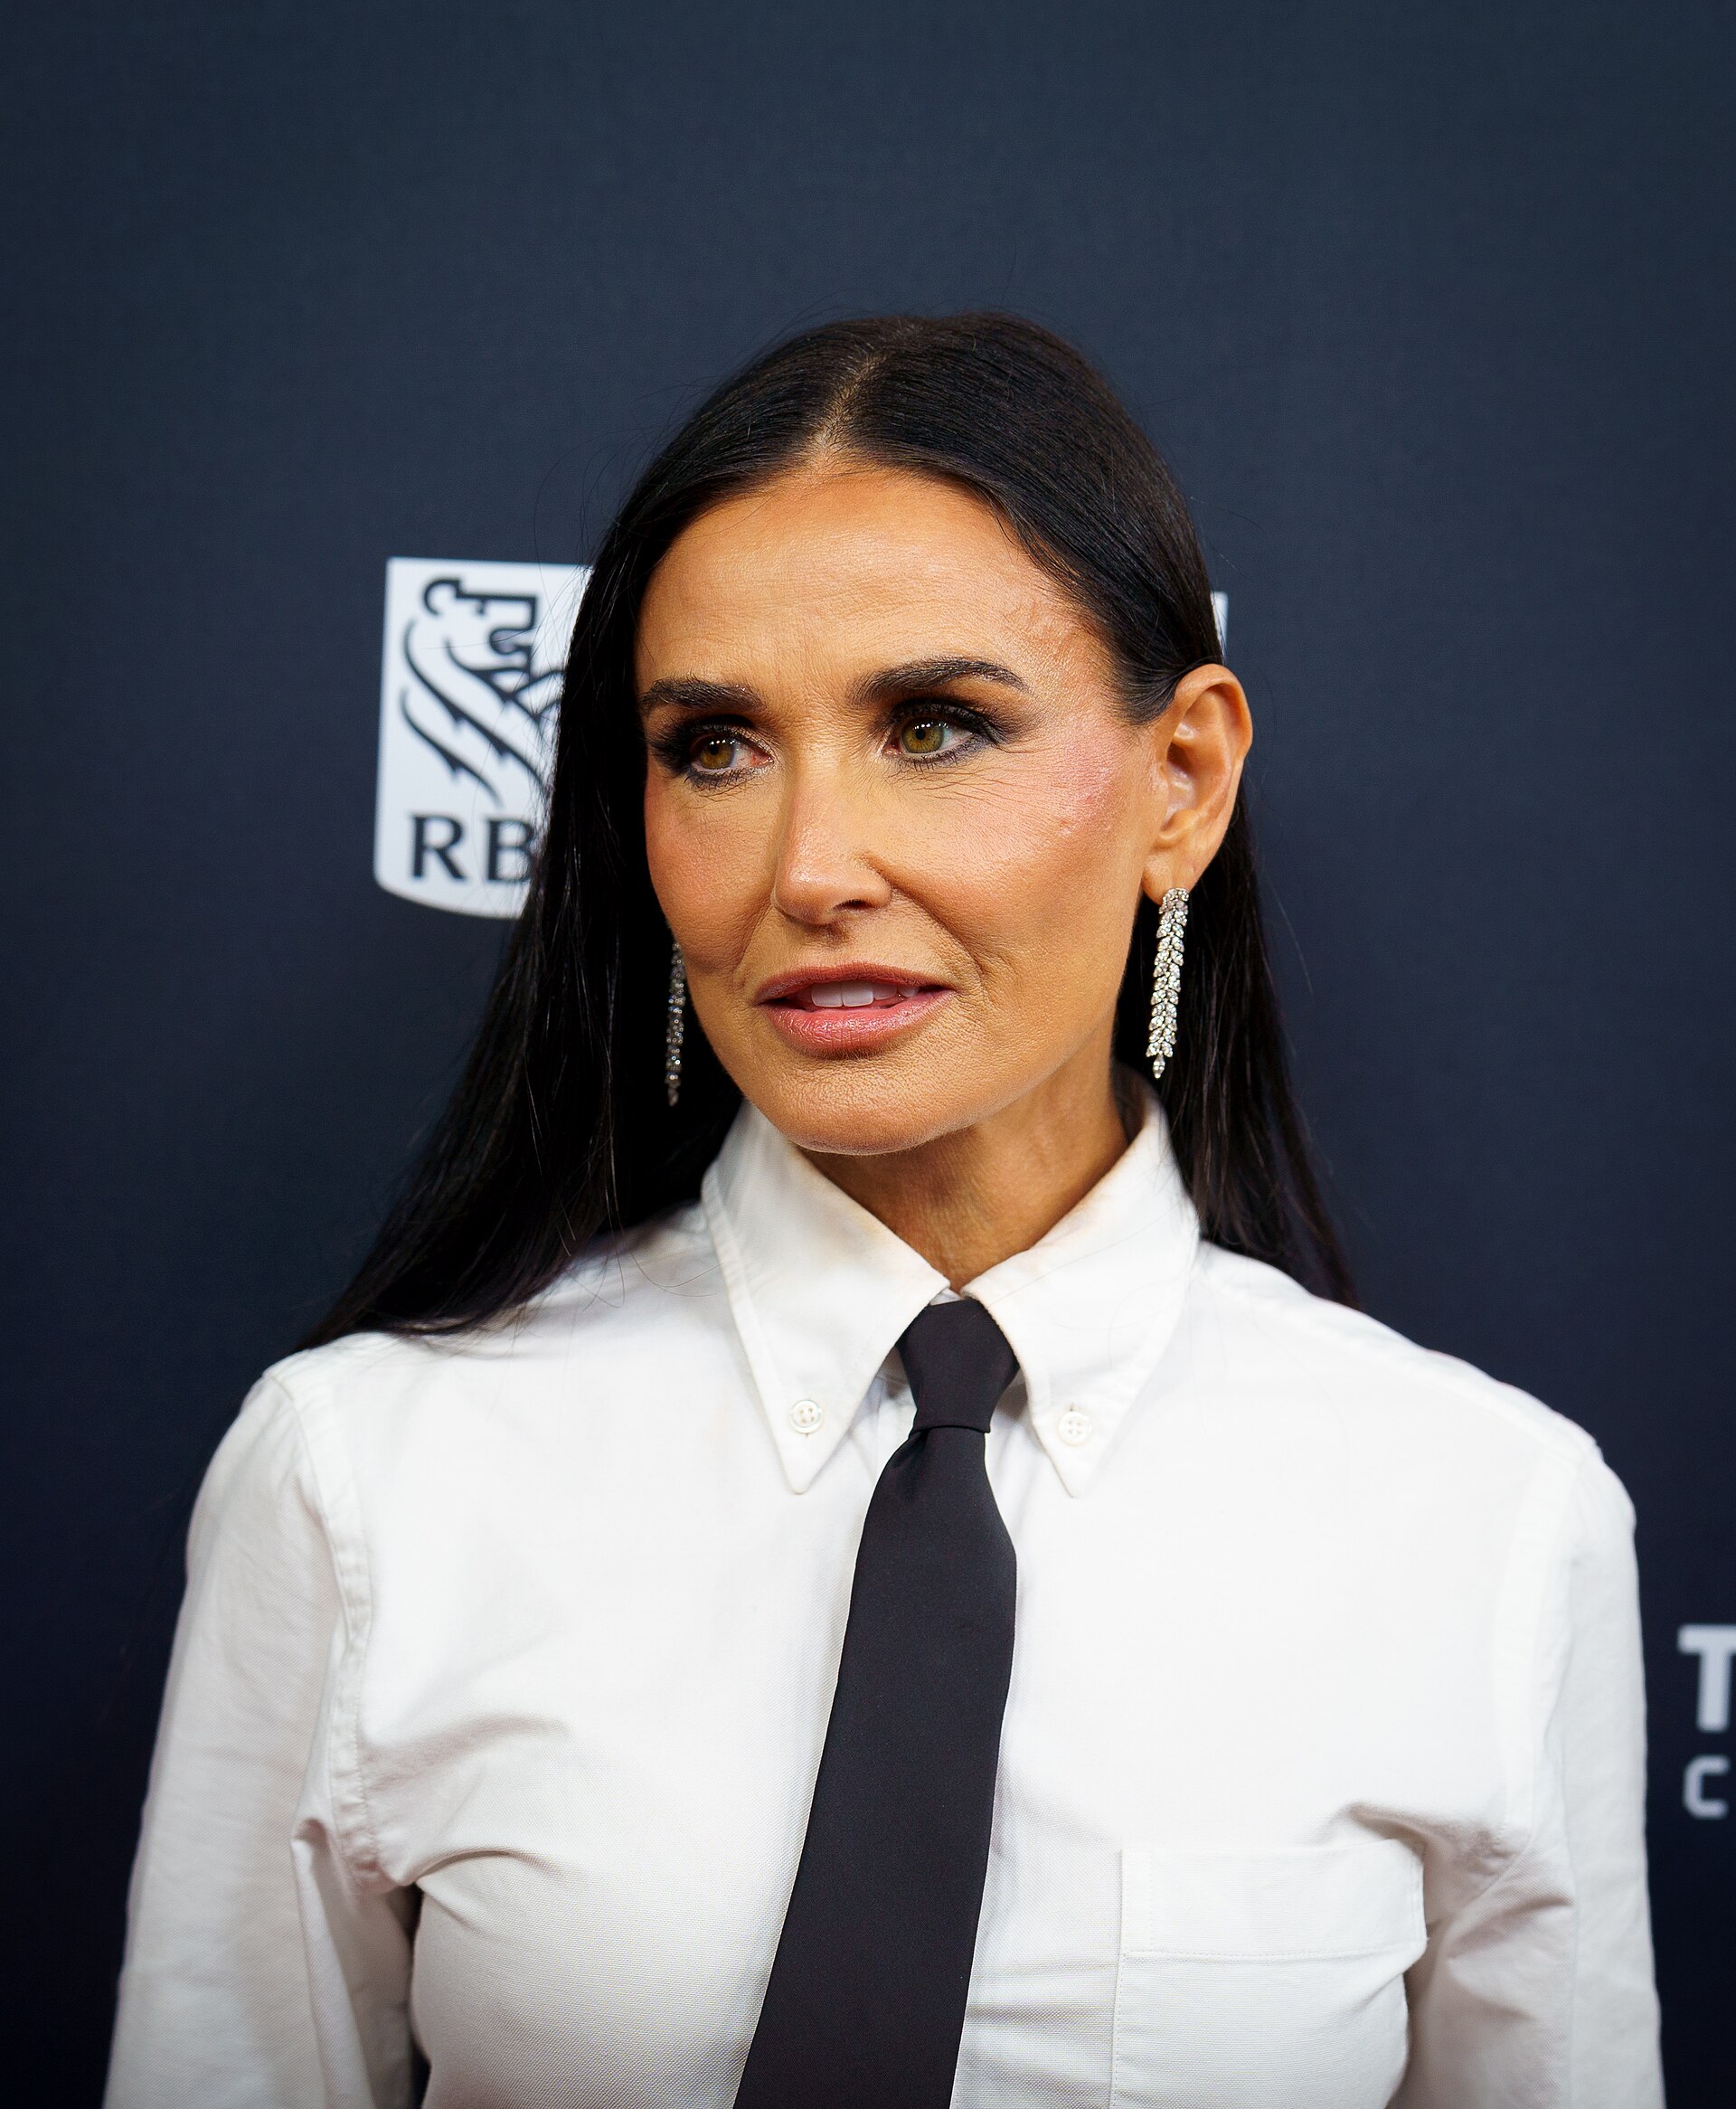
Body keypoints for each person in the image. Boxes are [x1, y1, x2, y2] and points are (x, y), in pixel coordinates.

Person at [106, 314, 1663, 2109]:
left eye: (935, 726)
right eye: (713, 746)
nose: (811, 867)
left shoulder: (1485, 1520)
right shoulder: (368, 1475)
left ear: (1184, 782)